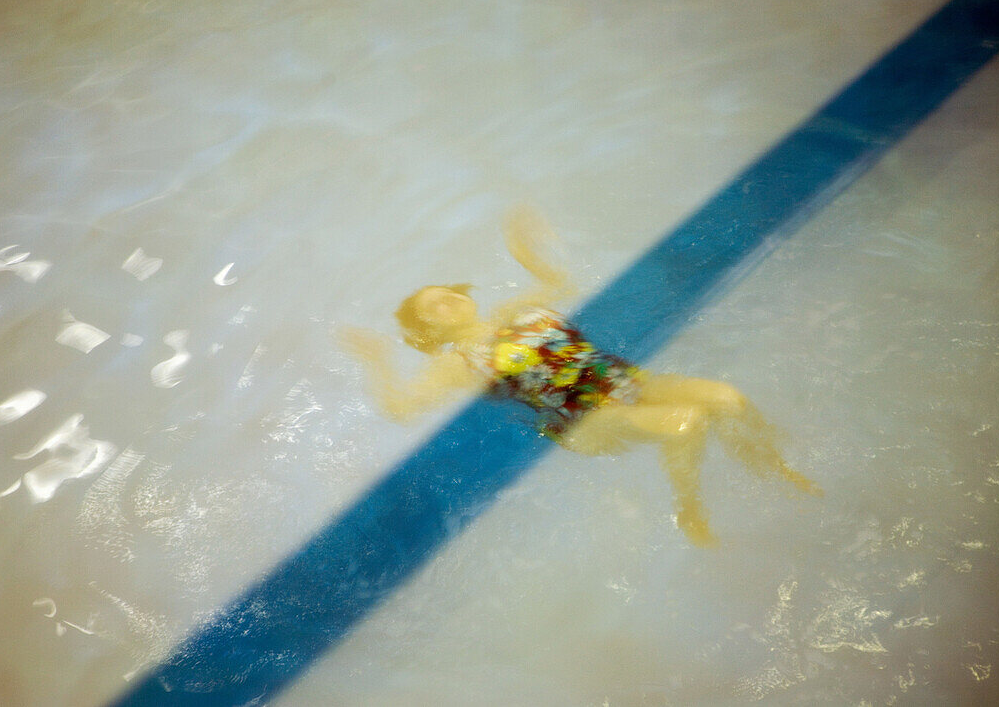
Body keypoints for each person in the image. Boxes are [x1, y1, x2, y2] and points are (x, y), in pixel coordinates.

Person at [340, 210, 820, 546]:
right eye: (433, 308)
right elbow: (400, 408)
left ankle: (771, 466)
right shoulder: (453, 363)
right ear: (428, 330)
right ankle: (691, 510)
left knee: (728, 398)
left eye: (447, 293)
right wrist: (377, 361)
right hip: (583, 419)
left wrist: (523, 251)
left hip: (622, 380)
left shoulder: (512, 311)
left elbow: (558, 285)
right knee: (686, 423)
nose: (447, 302)